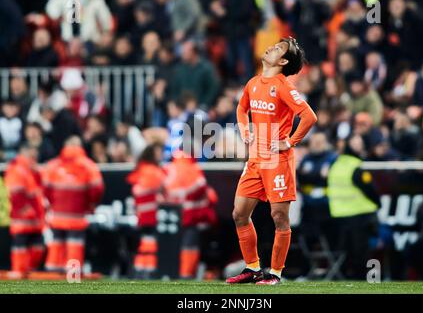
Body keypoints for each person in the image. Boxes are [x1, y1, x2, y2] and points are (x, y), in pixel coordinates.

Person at [227, 37, 317, 285]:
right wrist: (245, 131)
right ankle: (253, 268)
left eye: (278, 48)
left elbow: (309, 117)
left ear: (283, 61)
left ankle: (276, 273)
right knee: (239, 214)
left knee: (279, 217)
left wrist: (290, 142)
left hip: (278, 159)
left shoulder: (284, 86)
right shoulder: (254, 82)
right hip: (257, 157)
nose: (271, 47)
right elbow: (241, 109)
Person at [42, 136, 104, 273]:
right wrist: (90, 206)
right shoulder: (89, 166)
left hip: (57, 216)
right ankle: (73, 278)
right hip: (77, 217)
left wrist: (53, 204)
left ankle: (53, 278)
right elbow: (97, 190)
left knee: (56, 245)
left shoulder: (53, 166)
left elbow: (45, 190)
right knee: (74, 246)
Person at [327, 134, 380, 279]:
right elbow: (369, 188)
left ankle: (346, 276)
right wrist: (378, 202)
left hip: (339, 213)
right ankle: (363, 277)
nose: (359, 145)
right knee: (361, 251)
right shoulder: (356, 166)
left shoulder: (336, 164)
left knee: (346, 251)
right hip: (359, 212)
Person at [163, 149, 218, 279]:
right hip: (193, 217)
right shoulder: (193, 168)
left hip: (171, 215)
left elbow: (162, 190)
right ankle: (186, 273)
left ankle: (170, 273)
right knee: (190, 246)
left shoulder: (168, 168)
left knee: (173, 245)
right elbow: (202, 187)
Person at [4, 144, 45, 276]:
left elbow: (38, 191)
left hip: (36, 218)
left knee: (37, 248)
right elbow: (14, 192)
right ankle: (19, 272)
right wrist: (24, 209)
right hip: (22, 217)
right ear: (24, 154)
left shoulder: (31, 171)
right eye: (32, 156)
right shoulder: (16, 169)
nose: (34, 159)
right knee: (20, 247)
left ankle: (27, 271)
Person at [127, 143, 166, 279]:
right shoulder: (152, 171)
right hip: (150, 213)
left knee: (145, 241)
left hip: (142, 213)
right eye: (159, 152)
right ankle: (148, 269)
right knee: (149, 241)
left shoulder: (142, 169)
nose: (161, 155)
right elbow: (161, 184)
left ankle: (140, 268)